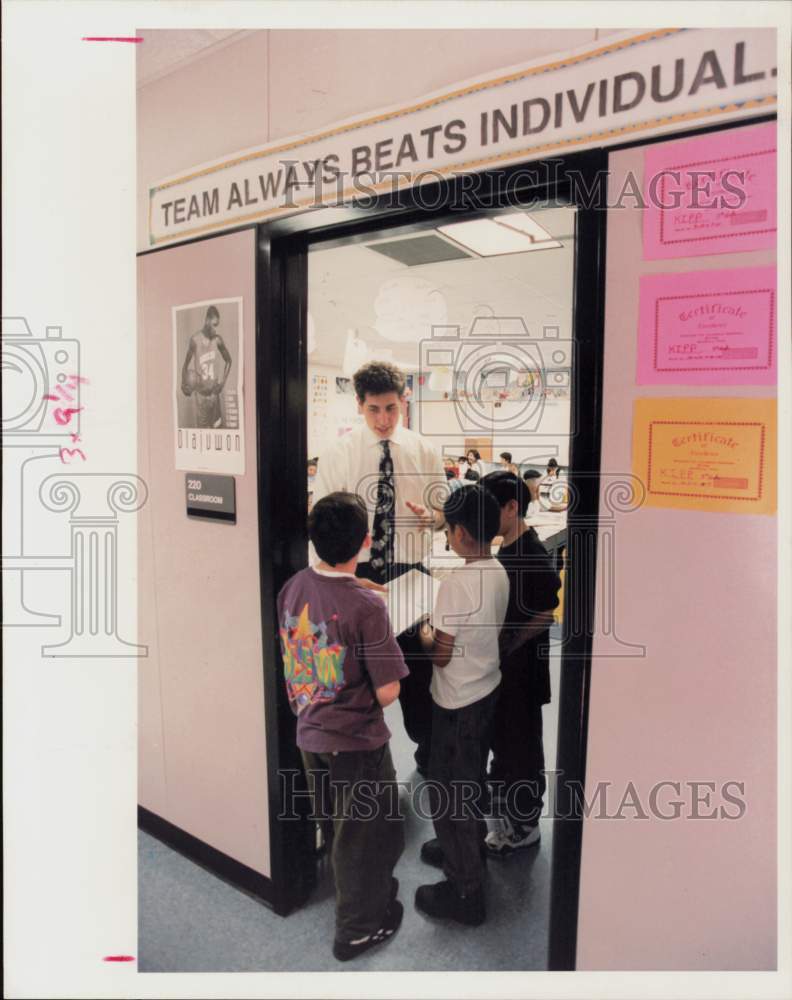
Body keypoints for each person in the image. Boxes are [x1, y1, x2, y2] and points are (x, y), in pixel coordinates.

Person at [277, 492, 408, 961]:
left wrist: (356, 591)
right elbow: (389, 690)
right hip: (357, 743)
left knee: (339, 826)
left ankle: (357, 894)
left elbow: (320, 627)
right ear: (367, 541)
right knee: (367, 837)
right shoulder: (369, 610)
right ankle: (357, 930)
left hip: (311, 731)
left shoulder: (292, 587)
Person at [311, 361, 447, 775]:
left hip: (412, 574)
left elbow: (443, 515)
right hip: (359, 573)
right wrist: (344, 580)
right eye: (374, 410)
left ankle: (429, 756)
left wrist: (431, 517)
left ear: (403, 401)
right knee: (360, 677)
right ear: (359, 405)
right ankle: (364, 763)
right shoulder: (339, 453)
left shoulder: (424, 449)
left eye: (392, 408)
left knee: (417, 677)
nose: (385, 420)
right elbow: (324, 519)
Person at [415, 486, 509, 926]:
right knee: (468, 782)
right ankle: (468, 850)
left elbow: (441, 655)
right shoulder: (497, 571)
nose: (447, 536)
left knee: (448, 792)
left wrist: (425, 632)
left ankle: (465, 890)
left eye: (448, 530)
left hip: (455, 702)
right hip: (485, 691)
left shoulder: (455, 587)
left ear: (462, 533)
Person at [480, 470, 561, 855]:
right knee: (507, 743)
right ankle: (507, 804)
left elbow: (547, 610)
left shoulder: (530, 553)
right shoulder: (507, 544)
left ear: (512, 508)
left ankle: (526, 825)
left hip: (523, 673)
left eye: (490, 509)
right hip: (506, 672)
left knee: (523, 747)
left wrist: (510, 643)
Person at [180, 305, 232, 429]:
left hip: (214, 396)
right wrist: (184, 384)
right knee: (203, 436)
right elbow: (185, 366)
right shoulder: (195, 340)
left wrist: (222, 383)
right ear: (207, 320)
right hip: (201, 398)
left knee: (218, 431)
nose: (215, 329)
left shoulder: (218, 340)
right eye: (214, 325)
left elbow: (229, 360)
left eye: (217, 325)